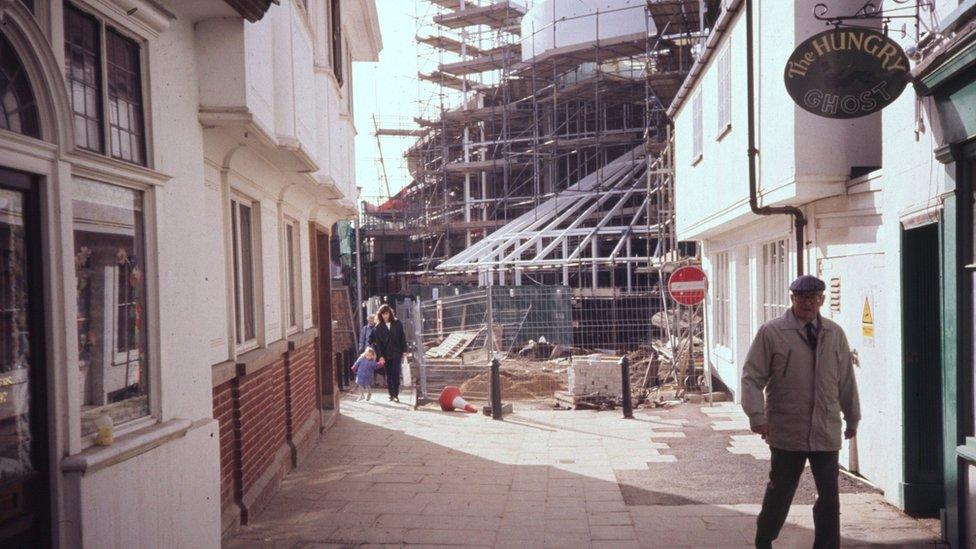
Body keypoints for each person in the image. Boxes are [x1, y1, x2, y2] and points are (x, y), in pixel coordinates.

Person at [741, 274, 860, 549]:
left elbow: (845, 380)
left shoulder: (834, 333)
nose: (808, 303)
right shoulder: (772, 332)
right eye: (802, 298)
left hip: (825, 428)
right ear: (793, 299)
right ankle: (764, 537)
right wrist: (757, 416)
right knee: (780, 491)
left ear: (822, 300)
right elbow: (751, 377)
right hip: (786, 429)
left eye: (814, 298)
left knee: (830, 497)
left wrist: (852, 416)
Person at [373, 304, 407, 403]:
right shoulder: (378, 327)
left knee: (396, 373)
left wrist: (404, 350)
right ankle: (391, 394)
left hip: (397, 352)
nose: (385, 316)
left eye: (387, 313)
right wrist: (380, 357)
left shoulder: (397, 323)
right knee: (389, 374)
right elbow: (378, 344)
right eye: (383, 314)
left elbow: (402, 337)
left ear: (390, 313)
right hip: (386, 354)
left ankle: (396, 394)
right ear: (380, 315)